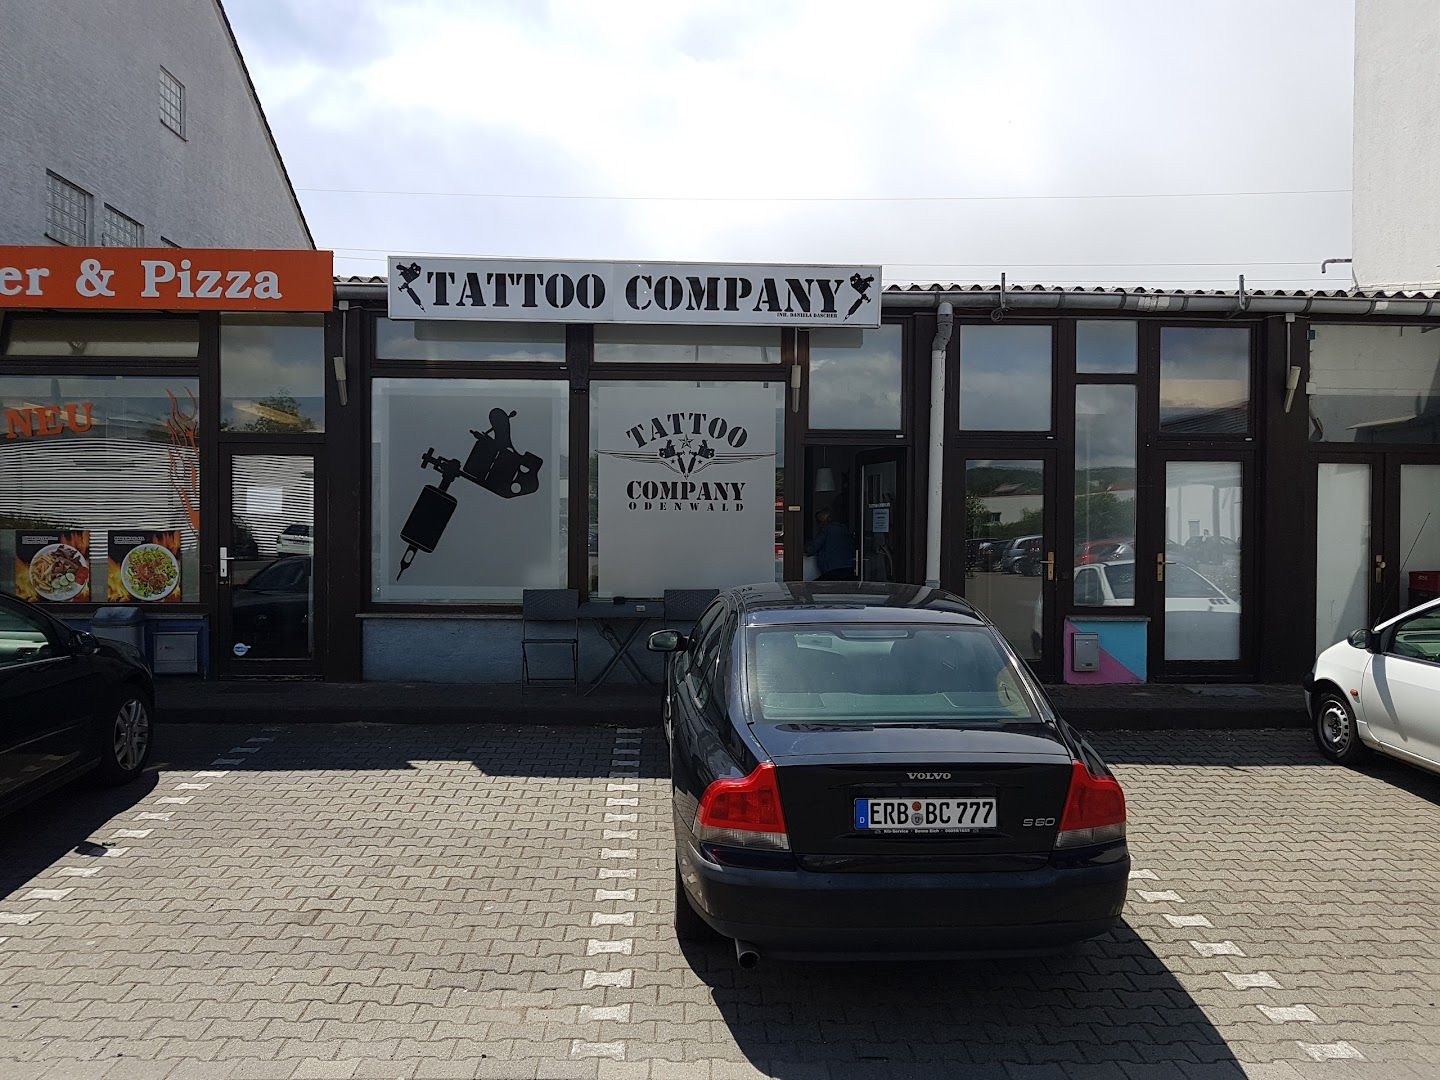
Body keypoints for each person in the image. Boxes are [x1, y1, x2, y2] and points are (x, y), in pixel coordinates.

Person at [806, 508, 857, 581]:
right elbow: (852, 546)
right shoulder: (844, 529)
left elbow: (813, 548)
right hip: (847, 567)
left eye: (819, 521)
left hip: (831, 569)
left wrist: (805, 549)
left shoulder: (825, 530)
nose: (819, 524)